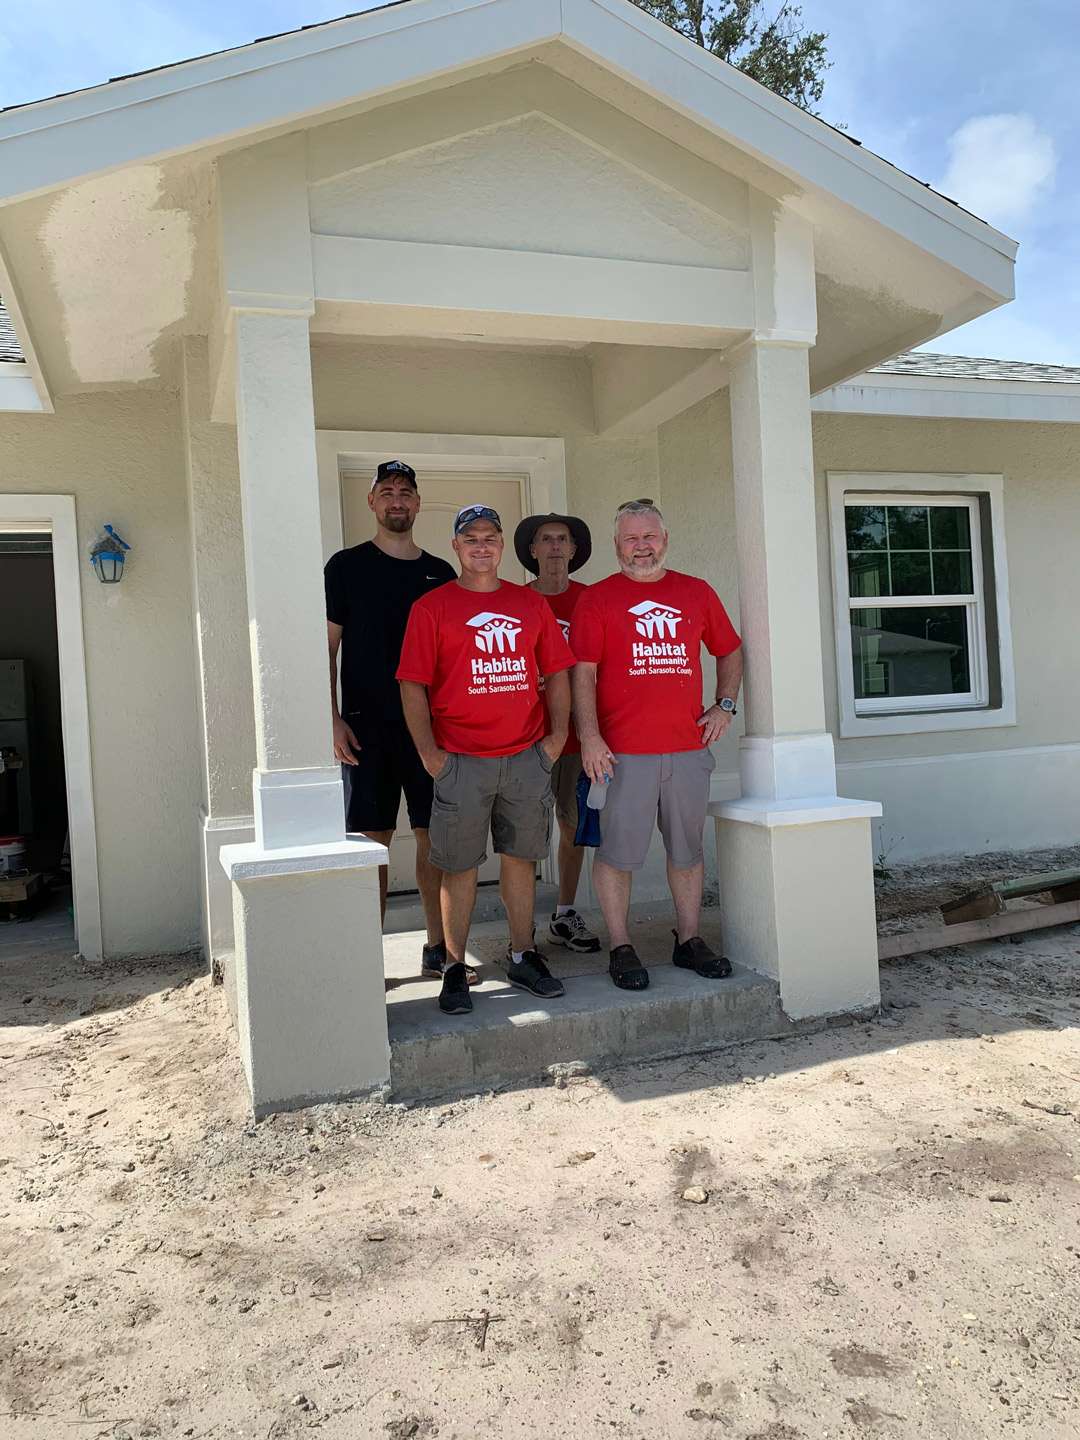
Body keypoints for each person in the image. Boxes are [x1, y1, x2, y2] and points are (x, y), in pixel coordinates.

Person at [397, 504, 575, 1015]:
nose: (481, 545)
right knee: (459, 866)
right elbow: (413, 684)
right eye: (470, 537)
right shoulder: (432, 607)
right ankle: (454, 967)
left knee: (521, 859)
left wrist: (557, 736)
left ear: (502, 547)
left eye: (490, 537)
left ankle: (523, 954)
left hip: (525, 755)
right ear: (455, 546)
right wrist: (431, 755)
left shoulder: (529, 603)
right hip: (460, 761)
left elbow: (557, 671)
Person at [571, 498, 743, 992]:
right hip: (621, 754)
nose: (641, 547)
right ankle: (620, 945)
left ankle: (688, 939)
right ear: (616, 545)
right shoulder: (599, 599)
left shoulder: (695, 592)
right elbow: (582, 673)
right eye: (631, 538)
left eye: (649, 537)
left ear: (664, 539)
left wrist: (724, 705)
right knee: (617, 854)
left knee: (687, 851)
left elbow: (730, 649)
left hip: (687, 750)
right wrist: (589, 737)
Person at [324, 460, 470, 983]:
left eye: (406, 492)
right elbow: (328, 648)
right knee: (371, 841)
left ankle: (438, 949)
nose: (397, 501)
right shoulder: (345, 567)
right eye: (387, 492)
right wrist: (333, 717)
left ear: (417, 503)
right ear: (372, 503)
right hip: (366, 726)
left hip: (432, 729)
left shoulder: (439, 574)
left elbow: (458, 659)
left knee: (435, 837)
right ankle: (368, 960)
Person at [513, 512, 601, 955]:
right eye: (544, 540)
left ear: (572, 549)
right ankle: (520, 924)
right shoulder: (514, 600)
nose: (552, 548)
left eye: (560, 540)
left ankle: (565, 912)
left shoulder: (591, 599)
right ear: (531, 550)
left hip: (577, 739)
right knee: (523, 832)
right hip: (525, 736)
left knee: (572, 825)